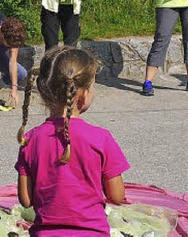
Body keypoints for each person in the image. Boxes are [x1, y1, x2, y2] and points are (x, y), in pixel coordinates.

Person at [15, 46, 130, 236]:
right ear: (84, 94)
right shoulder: (101, 138)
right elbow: (117, 196)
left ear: (44, 92)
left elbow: (26, 200)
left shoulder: (31, 139)